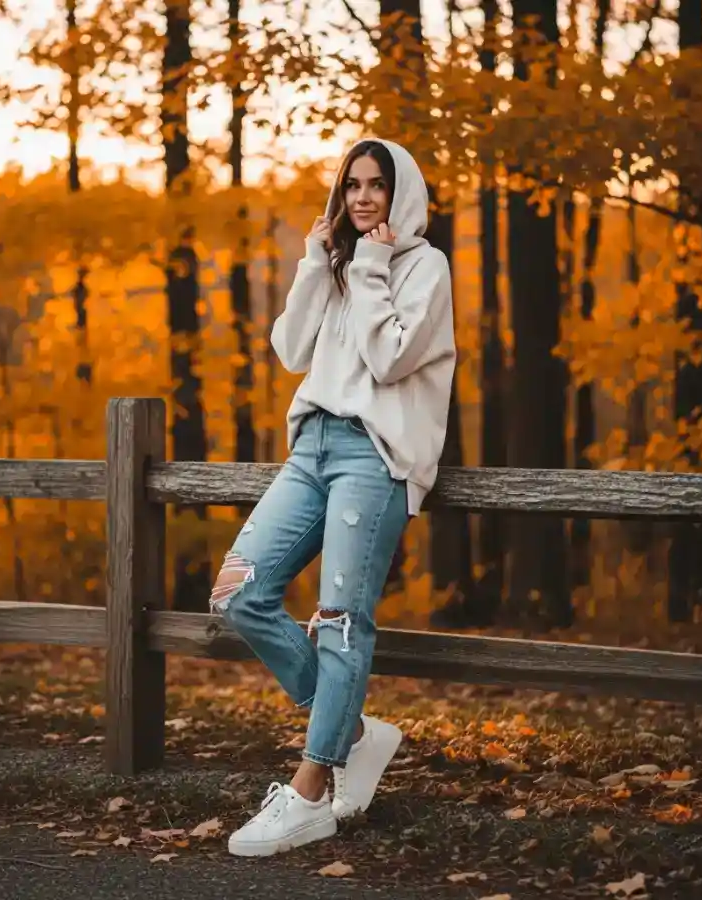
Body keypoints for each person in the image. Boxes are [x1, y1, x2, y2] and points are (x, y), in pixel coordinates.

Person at [208, 137, 456, 857]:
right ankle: (350, 731)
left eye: (377, 185)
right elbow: (290, 349)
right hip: (310, 445)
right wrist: (319, 264)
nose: (364, 198)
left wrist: (374, 269)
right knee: (236, 594)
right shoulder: (341, 263)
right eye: (352, 186)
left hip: (372, 456)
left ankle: (312, 791)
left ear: (400, 190)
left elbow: (389, 359)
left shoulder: (423, 268)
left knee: (340, 621)